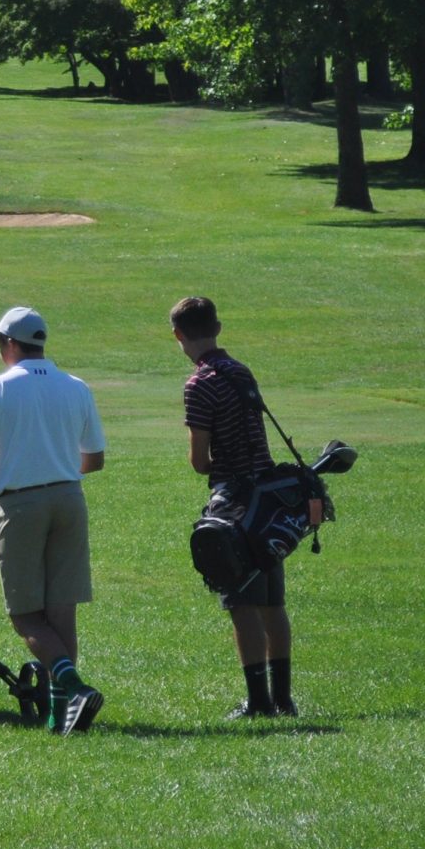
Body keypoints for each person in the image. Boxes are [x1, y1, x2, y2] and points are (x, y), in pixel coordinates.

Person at [0, 306, 109, 732]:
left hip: (20, 505)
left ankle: (74, 688)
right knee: (61, 611)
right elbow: (94, 459)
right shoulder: (76, 386)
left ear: (10, 345)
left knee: (25, 614)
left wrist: (19, 468)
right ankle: (59, 715)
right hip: (70, 500)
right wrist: (54, 465)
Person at [171, 295, 309, 717]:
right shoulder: (240, 371)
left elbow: (199, 461)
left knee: (242, 603)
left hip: (231, 505)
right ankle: (283, 697)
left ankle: (259, 702)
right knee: (272, 603)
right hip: (266, 500)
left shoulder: (198, 385)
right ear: (219, 327)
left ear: (178, 336)